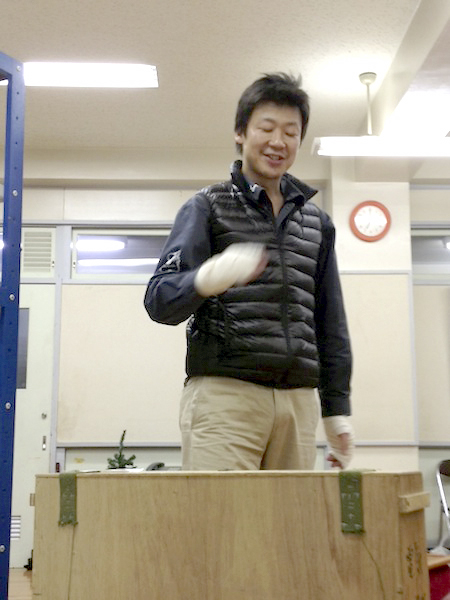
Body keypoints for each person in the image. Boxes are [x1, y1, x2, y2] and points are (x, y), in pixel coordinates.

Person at [144, 72, 353, 471]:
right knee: (222, 512)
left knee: (290, 514)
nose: (278, 141)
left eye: (291, 132)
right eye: (267, 128)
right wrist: (207, 278)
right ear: (241, 133)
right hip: (226, 396)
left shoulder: (317, 223)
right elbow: (159, 301)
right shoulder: (207, 206)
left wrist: (337, 409)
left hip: (298, 402)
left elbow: (330, 323)